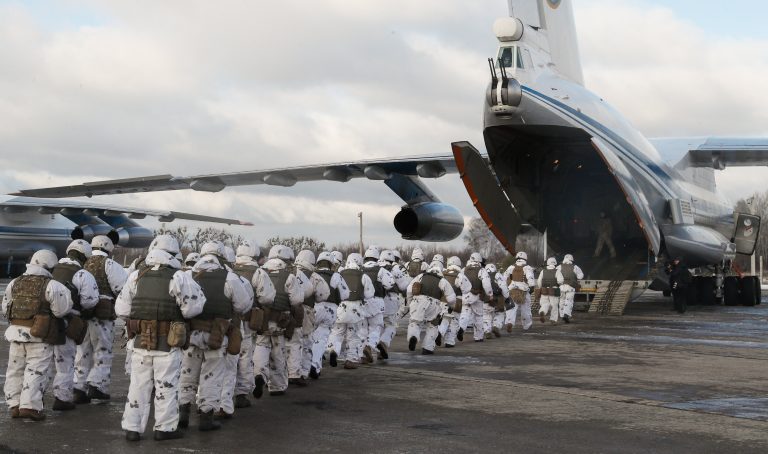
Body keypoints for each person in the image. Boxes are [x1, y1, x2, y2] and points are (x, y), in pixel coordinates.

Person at [116, 237, 206, 441]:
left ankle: (132, 429)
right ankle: (164, 429)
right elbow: (192, 309)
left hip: (140, 342)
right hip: (168, 342)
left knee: (138, 385)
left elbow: (121, 309)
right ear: (174, 254)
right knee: (166, 385)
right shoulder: (180, 277)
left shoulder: (136, 275)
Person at [179, 241, 252, 431]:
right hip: (217, 336)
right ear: (221, 257)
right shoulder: (230, 277)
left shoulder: (187, 275)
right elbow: (243, 305)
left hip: (191, 335)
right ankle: (206, 419)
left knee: (187, 375)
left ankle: (182, 415)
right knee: (212, 377)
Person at [3, 250, 72, 421]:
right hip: (39, 335)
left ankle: (14, 404)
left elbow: (5, 308)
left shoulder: (15, 282)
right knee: (36, 370)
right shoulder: (52, 285)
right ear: (50, 266)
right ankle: (30, 407)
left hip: (15, 333)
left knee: (15, 370)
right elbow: (61, 310)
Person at [74, 235, 128, 403]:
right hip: (102, 316)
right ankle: (97, 386)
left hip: (83, 315)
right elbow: (122, 289)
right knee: (103, 350)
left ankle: (78, 388)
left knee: (82, 352)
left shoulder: (82, 263)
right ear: (109, 247)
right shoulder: (110, 264)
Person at [49, 240, 99, 411]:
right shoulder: (82, 274)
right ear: (84, 257)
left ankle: (31, 402)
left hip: (43, 324)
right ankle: (62, 399)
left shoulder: (51, 269)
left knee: (38, 365)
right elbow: (90, 301)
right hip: (67, 324)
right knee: (65, 363)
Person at [253, 245, 304, 397]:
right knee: (278, 351)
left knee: (261, 346)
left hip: (261, 318)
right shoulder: (289, 276)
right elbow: (297, 300)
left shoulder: (259, 272)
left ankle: (259, 375)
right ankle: (277, 386)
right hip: (280, 320)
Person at [229, 240, 275, 408]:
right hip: (248, 321)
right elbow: (268, 297)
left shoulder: (230, 270)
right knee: (245, 357)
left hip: (229, 321)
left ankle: (225, 395)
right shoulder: (259, 273)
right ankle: (241, 394)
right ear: (255, 255)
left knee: (228, 357)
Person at [288, 250, 330, 386]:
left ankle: (284, 373)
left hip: (288, 310)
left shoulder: (289, 271)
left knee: (287, 341)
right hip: (306, 310)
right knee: (305, 341)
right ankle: (302, 372)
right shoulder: (315, 277)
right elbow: (323, 295)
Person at [327, 253, 374, 369]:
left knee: (337, 333)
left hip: (340, 308)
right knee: (353, 336)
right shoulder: (363, 276)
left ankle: (334, 350)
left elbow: (331, 289)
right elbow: (370, 294)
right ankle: (350, 360)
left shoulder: (338, 274)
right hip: (355, 309)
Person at [309, 252, 349, 378]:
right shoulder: (336, 276)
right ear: (331, 264)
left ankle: (301, 367)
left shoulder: (311, 275)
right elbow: (345, 295)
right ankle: (314, 365)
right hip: (330, 309)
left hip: (312, 308)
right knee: (321, 338)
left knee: (306, 338)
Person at [406, 260, 456, 354]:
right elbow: (452, 298)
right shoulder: (442, 280)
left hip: (418, 301)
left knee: (415, 322)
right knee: (433, 325)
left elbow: (409, 289)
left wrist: (409, 303)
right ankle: (427, 348)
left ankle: (413, 337)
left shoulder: (421, 276)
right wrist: (451, 307)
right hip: (434, 304)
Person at [359, 246, 394, 364]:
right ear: (377, 258)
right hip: (376, 302)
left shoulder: (360, 269)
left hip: (361, 303)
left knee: (362, 330)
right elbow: (390, 284)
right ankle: (369, 346)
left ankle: (363, 355)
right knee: (376, 328)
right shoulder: (381, 270)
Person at [377, 250, 409, 359]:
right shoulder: (395, 270)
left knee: (378, 326)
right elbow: (404, 287)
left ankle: (377, 350)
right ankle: (384, 343)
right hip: (391, 300)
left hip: (375, 301)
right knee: (390, 325)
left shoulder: (375, 267)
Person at [456, 253, 493, 342]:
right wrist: (489, 294)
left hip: (466, 295)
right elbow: (486, 284)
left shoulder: (464, 269)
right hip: (478, 296)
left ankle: (461, 328)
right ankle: (478, 337)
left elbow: (458, 282)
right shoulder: (482, 270)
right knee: (479, 316)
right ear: (479, 260)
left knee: (465, 314)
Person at [503, 251, 536, 332]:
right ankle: (527, 326)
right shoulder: (527, 267)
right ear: (525, 258)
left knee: (511, 309)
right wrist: (532, 288)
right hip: (523, 291)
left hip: (512, 290)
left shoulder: (511, 267)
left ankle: (510, 322)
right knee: (526, 310)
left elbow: (503, 277)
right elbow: (531, 279)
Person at [438, 256, 463, 348]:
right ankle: (449, 341)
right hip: (456, 301)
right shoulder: (460, 275)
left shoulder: (443, 273)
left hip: (443, 300)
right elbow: (467, 288)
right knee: (454, 321)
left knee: (445, 319)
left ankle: (440, 332)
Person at [483, 263, 509, 338]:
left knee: (486, 315)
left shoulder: (482, 275)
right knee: (500, 313)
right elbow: (503, 286)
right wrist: (506, 297)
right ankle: (496, 326)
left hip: (486, 299)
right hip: (498, 299)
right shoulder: (498, 275)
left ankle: (487, 331)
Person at [557, 254, 584, 323]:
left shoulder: (559, 267)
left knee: (561, 300)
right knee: (569, 301)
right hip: (571, 287)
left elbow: (555, 275)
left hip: (561, 287)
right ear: (572, 260)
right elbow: (580, 276)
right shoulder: (575, 267)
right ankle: (566, 314)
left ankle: (562, 315)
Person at [537, 257, 562, 325]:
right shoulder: (557, 271)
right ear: (555, 264)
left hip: (544, 290)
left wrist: (541, 287)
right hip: (553, 290)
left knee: (545, 304)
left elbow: (539, 281)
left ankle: (542, 312)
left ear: (547, 263)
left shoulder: (543, 271)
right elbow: (560, 281)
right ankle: (553, 320)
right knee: (554, 306)